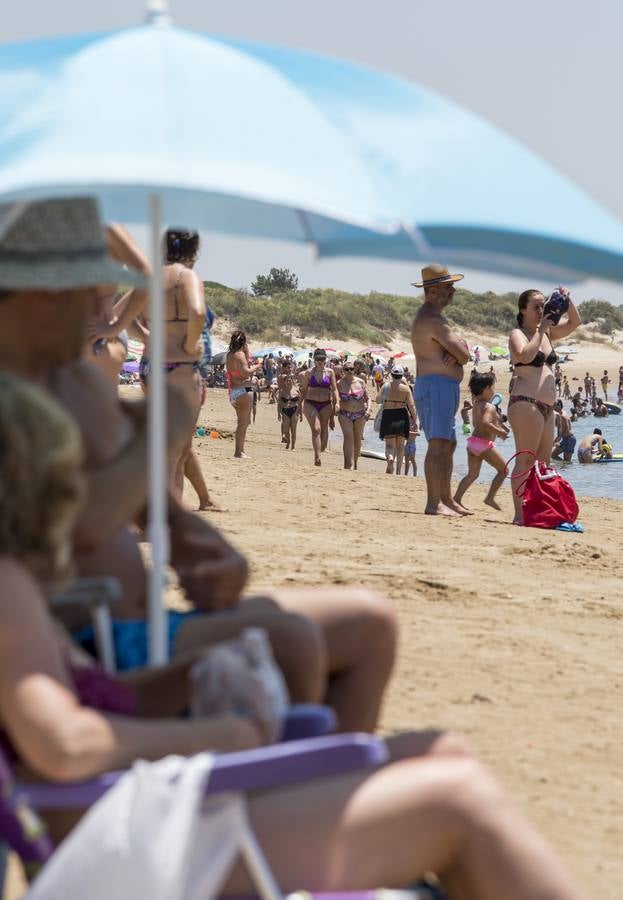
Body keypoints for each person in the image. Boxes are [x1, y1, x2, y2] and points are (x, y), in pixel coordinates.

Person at [0, 373, 585, 900]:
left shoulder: (24, 585)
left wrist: (184, 679)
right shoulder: (8, 589)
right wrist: (227, 732)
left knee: (448, 755)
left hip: (138, 810)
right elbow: (63, 745)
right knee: (459, 800)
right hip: (117, 841)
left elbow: (88, 702)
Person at [0, 198, 398, 734]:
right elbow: (85, 519)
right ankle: (282, 797)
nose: (97, 313)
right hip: (75, 635)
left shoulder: (70, 379)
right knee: (290, 643)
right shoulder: (19, 395)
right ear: (29, 296)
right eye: (82, 294)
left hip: (132, 620)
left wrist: (197, 539)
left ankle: (314, 787)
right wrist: (158, 429)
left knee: (369, 623)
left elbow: (145, 499)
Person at [139, 229, 206, 498]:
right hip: (180, 364)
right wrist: (191, 345)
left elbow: (123, 313)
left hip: (150, 365)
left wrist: (145, 336)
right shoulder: (185, 276)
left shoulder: (149, 277)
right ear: (194, 250)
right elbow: (198, 311)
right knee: (177, 451)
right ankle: (166, 515)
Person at [507, 287, 581, 525]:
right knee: (525, 461)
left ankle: (539, 511)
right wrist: (540, 330)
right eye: (536, 307)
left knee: (543, 464)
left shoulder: (548, 333)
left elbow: (575, 322)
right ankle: (519, 514)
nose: (542, 310)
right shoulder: (518, 333)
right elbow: (526, 356)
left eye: (544, 305)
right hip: (525, 403)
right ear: (522, 310)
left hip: (547, 407)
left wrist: (564, 300)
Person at [411, 265, 471, 516]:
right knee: (438, 444)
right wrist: (457, 352)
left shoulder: (436, 318)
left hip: (442, 387)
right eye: (448, 286)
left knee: (448, 443)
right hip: (434, 386)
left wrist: (457, 351)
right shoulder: (432, 320)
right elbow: (465, 354)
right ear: (433, 290)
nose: (452, 290)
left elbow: (461, 351)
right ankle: (433, 503)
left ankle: (446, 499)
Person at [453, 371, 509, 512]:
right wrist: (500, 432)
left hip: (472, 443)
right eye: (492, 388)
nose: (493, 390)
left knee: (472, 475)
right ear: (485, 389)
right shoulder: (489, 407)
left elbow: (484, 421)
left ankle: (456, 499)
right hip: (483, 444)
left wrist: (500, 423)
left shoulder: (477, 403)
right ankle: (490, 497)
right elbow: (485, 423)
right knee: (504, 470)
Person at [299, 349, 339, 467]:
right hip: (311, 403)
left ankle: (321, 449)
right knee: (316, 429)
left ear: (325, 359)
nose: (320, 361)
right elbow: (304, 390)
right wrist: (299, 405)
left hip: (326, 404)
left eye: (322, 359)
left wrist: (337, 403)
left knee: (323, 428)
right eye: (318, 359)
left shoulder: (330, 372)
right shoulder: (308, 373)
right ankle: (317, 457)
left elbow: (334, 388)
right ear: (314, 360)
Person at [226, 330, 262, 459]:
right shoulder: (240, 355)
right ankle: (239, 452)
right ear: (243, 342)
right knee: (243, 423)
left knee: (243, 422)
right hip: (243, 392)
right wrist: (256, 367)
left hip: (234, 392)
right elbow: (246, 373)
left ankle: (239, 450)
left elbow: (238, 373)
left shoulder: (230, 355)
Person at [378, 366, 418, 475]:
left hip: (388, 415)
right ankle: (399, 471)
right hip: (401, 416)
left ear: (391, 375)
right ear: (402, 376)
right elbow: (411, 406)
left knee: (389, 446)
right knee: (400, 447)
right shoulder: (406, 389)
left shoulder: (386, 386)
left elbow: (377, 400)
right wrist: (415, 421)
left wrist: (387, 399)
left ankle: (390, 457)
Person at [336, 362, 371, 470]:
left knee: (357, 439)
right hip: (345, 414)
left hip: (360, 414)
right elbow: (335, 397)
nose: (349, 371)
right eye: (347, 369)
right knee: (348, 437)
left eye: (351, 369)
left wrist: (368, 410)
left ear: (354, 370)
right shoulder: (339, 383)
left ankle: (355, 463)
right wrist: (336, 406)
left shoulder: (360, 382)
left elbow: (368, 398)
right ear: (343, 371)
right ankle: (348, 464)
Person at [277, 358, 301, 450]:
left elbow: (294, 385)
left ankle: (288, 440)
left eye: (291, 367)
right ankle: (283, 435)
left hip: (292, 400)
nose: (290, 369)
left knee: (291, 426)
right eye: (288, 367)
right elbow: (285, 383)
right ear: (283, 368)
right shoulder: (282, 376)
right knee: (285, 422)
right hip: (284, 398)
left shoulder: (289, 376)